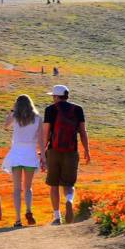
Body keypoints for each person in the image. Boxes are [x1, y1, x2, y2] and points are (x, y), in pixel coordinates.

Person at [43, 85, 90, 225]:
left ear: (57, 97)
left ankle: (57, 217)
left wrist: (42, 150)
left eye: (53, 96)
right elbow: (83, 131)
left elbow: (46, 132)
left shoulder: (50, 109)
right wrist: (87, 150)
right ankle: (69, 200)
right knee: (69, 184)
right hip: (71, 151)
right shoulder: (78, 109)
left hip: (53, 151)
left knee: (53, 184)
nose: (52, 98)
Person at [2, 94, 45, 227]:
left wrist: (12, 111)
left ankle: (18, 219)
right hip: (30, 154)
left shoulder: (15, 117)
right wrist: (42, 155)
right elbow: (41, 139)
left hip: (16, 153)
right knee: (28, 187)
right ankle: (29, 210)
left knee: (16, 189)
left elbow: (5, 126)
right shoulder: (37, 118)